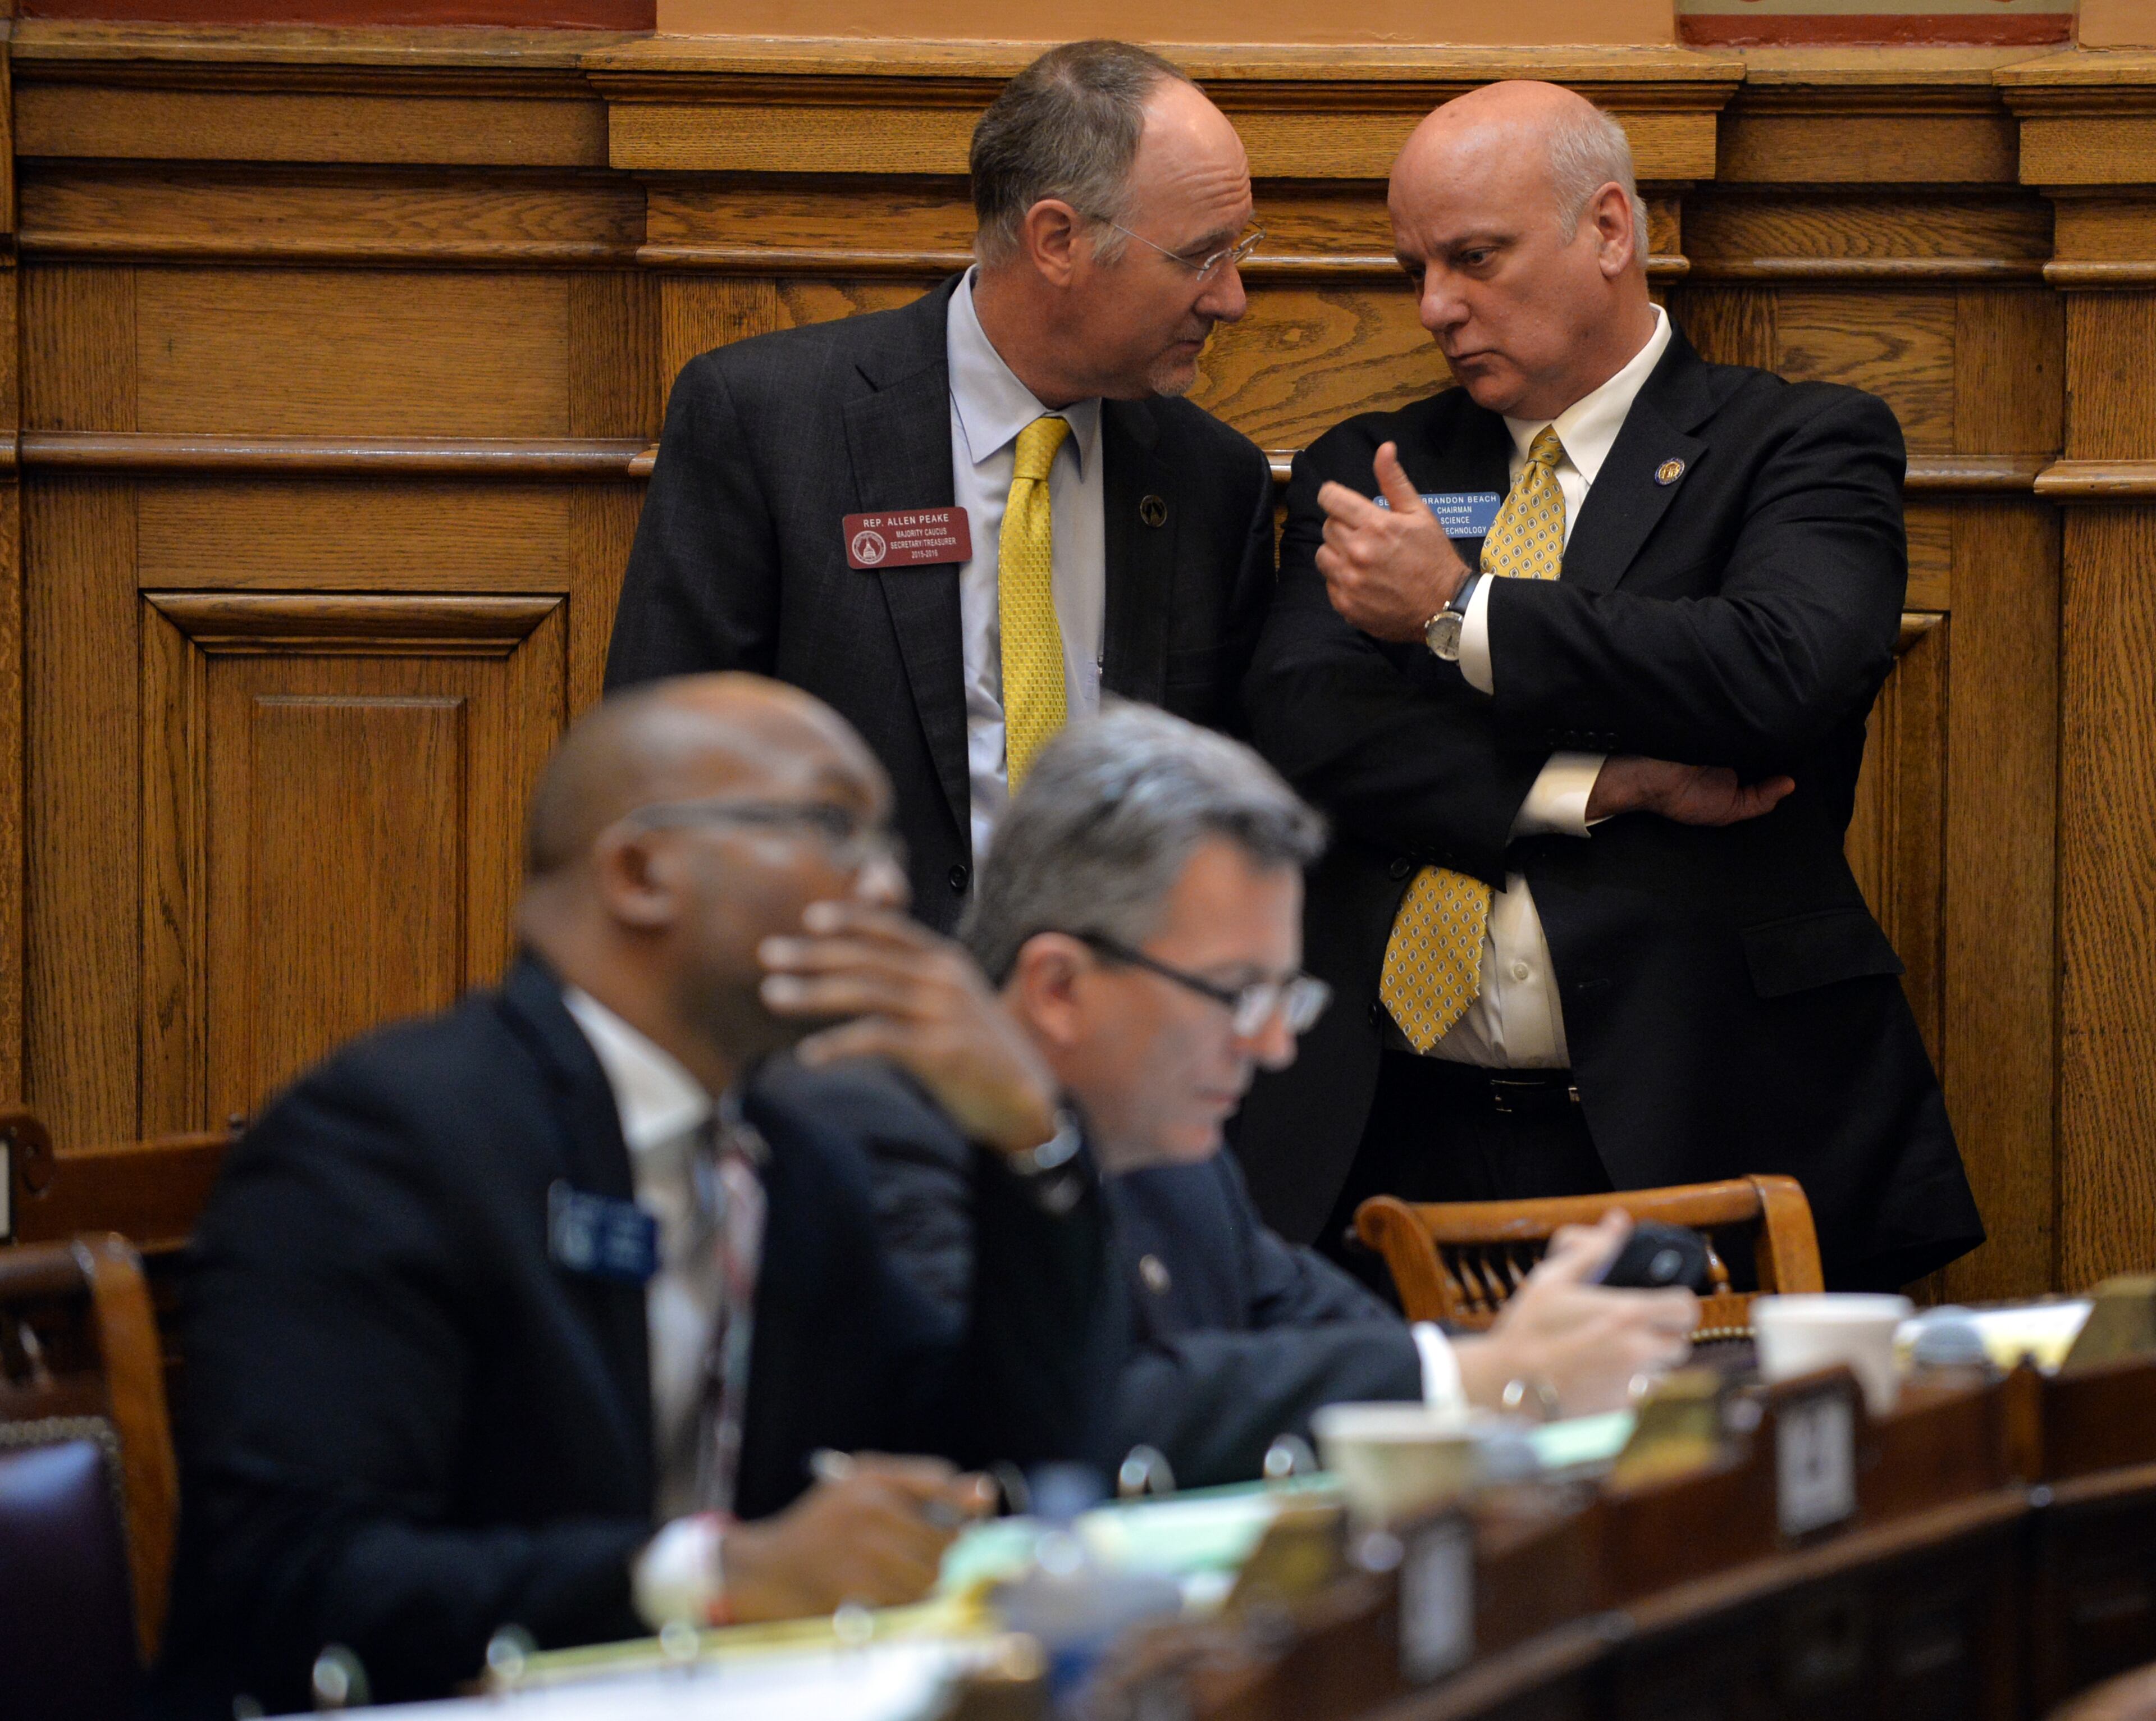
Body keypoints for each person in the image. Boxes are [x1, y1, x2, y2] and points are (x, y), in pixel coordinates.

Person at [155, 675, 1118, 1716]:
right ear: (641, 871)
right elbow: (294, 1579)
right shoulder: (387, 1138)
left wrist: (1031, 1139)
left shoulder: (794, 1164)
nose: (885, 892)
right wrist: (710, 1576)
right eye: (834, 825)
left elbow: (1019, 1458)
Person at [1235, 80, 1982, 1291]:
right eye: (1416, 267)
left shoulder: (1796, 443)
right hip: (1392, 1134)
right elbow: (1307, 724)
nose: (1436, 308)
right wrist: (1588, 784)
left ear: (1610, 230)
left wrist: (1458, 614)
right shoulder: (1376, 467)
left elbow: (1780, 671)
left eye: (1475, 257)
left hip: (1701, 1116)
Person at [772, 705, 1698, 1489]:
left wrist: (1538, 1337)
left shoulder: (1181, 1157)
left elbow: (1337, 1346)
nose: (1275, 1043)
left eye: (1283, 994)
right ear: (1059, 985)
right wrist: (1482, 1375)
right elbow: (1054, 1427)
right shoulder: (874, 1124)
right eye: (1236, 993)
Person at [605, 40, 1273, 932]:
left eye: (1238, 252)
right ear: (1057, 241)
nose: (1231, 298)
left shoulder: (1210, 479)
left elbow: (1221, 811)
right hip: (837, 1029)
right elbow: (661, 769)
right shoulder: (770, 422)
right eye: (1198, 257)